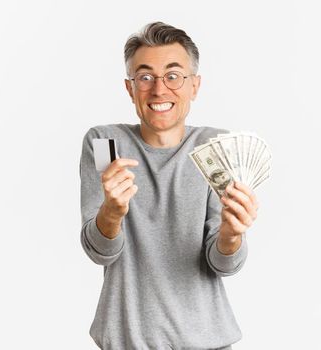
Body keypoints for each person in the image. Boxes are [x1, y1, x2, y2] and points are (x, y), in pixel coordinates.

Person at [79, 22, 260, 349]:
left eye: (173, 76)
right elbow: (100, 252)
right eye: (145, 77)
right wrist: (111, 212)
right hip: (125, 341)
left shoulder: (214, 147)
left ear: (195, 86)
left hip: (206, 342)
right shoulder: (106, 143)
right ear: (129, 88)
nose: (159, 90)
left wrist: (232, 235)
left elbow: (221, 262)